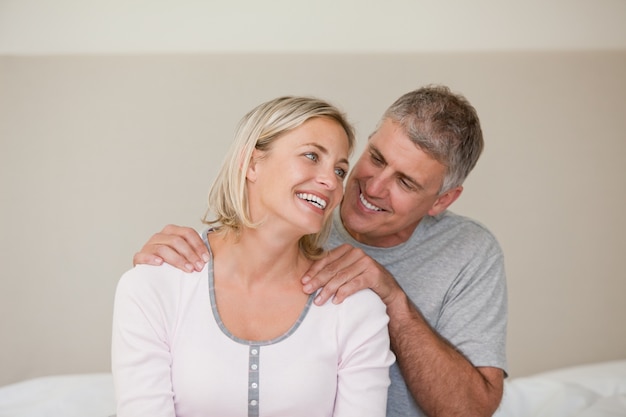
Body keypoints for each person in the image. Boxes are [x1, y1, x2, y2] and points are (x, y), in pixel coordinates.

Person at [133, 85, 508, 417]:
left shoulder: (469, 251)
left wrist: (391, 298)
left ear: (442, 200)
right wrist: (160, 275)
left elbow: (471, 411)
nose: (373, 187)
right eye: (375, 157)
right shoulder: (303, 211)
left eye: (405, 182)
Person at [112, 96, 395, 417]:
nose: (331, 182)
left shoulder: (356, 309)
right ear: (251, 163)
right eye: (311, 156)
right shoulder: (153, 287)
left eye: (341, 171)